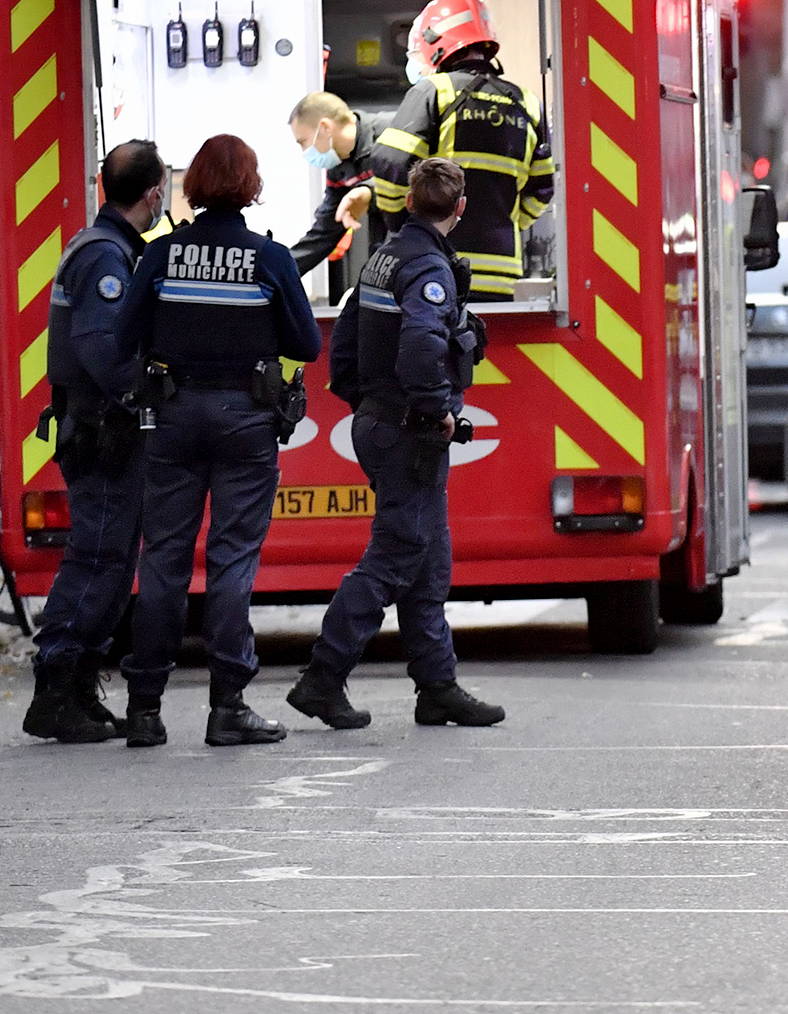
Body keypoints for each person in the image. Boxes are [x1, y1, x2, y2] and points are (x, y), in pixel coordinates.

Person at [115, 134, 322, 749]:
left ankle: (145, 709)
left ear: (193, 183)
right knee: (232, 558)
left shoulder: (160, 255)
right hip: (245, 421)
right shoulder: (269, 258)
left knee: (164, 559)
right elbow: (307, 346)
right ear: (250, 186)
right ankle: (227, 707)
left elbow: (124, 337)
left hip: (172, 416)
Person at [288, 158, 504, 731]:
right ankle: (322, 678)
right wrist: (434, 411)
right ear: (459, 208)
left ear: (409, 202)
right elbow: (419, 346)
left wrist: (365, 402)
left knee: (428, 559)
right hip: (408, 431)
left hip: (381, 423)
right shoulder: (428, 267)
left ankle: (438, 688)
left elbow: (346, 336)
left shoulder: (383, 257)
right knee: (393, 557)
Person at [23, 140, 168, 744]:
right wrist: (145, 396)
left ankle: (78, 686)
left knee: (109, 559)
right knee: (98, 557)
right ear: (154, 194)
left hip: (100, 429)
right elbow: (101, 349)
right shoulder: (106, 257)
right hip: (102, 432)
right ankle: (56, 685)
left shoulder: (108, 248)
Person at [370, 0, 553, 300]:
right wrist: (506, 222)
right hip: (501, 276)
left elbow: (390, 161)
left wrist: (401, 223)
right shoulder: (527, 103)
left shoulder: (434, 92)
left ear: (435, 43)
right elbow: (544, 187)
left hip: (437, 267)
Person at [287, 91, 392, 277]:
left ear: (325, 127)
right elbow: (325, 232)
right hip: (388, 253)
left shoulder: (394, 131)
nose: (304, 151)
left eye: (303, 142)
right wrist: (278, 271)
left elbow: (419, 179)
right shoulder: (338, 167)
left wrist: (370, 191)